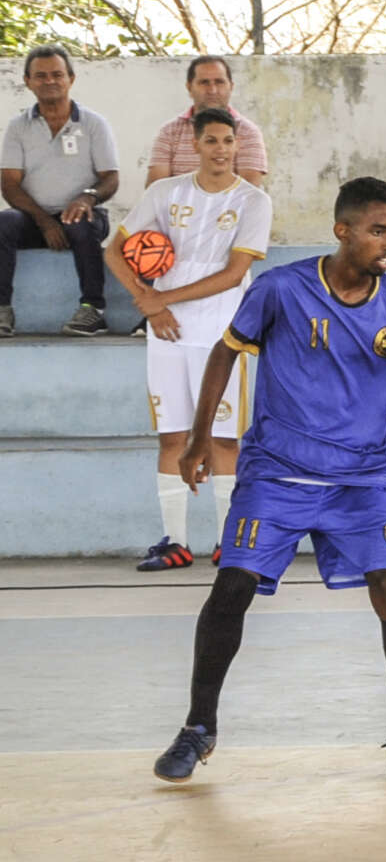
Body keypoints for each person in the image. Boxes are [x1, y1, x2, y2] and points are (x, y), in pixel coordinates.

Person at [148, 177, 386, 785]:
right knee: (232, 587)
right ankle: (198, 729)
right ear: (344, 231)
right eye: (379, 230)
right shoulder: (281, 287)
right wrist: (201, 438)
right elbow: (225, 352)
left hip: (363, 477)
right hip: (279, 470)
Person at [106, 107, 272, 570]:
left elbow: (235, 273)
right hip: (166, 333)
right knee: (172, 436)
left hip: (222, 334)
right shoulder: (165, 192)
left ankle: (227, 542)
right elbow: (113, 251)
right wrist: (147, 300)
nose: (220, 149)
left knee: (223, 438)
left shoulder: (253, 200)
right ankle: (175, 541)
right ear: (195, 145)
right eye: (211, 141)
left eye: (227, 141)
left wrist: (163, 299)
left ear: (238, 146)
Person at [0, 45, 119, 337]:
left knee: (79, 219)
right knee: (4, 222)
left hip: (85, 219)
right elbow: (9, 184)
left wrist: (86, 196)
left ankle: (93, 310)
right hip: (35, 221)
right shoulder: (18, 127)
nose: (49, 81)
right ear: (27, 81)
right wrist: (44, 221)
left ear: (71, 79)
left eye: (57, 74)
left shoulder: (93, 124)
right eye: (41, 76)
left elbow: (110, 178)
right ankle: (2, 310)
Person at [144, 55, 270, 187]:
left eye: (219, 82)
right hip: (178, 208)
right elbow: (156, 188)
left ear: (231, 86)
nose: (212, 90)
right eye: (204, 82)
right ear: (189, 87)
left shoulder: (248, 132)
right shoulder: (170, 132)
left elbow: (249, 191)